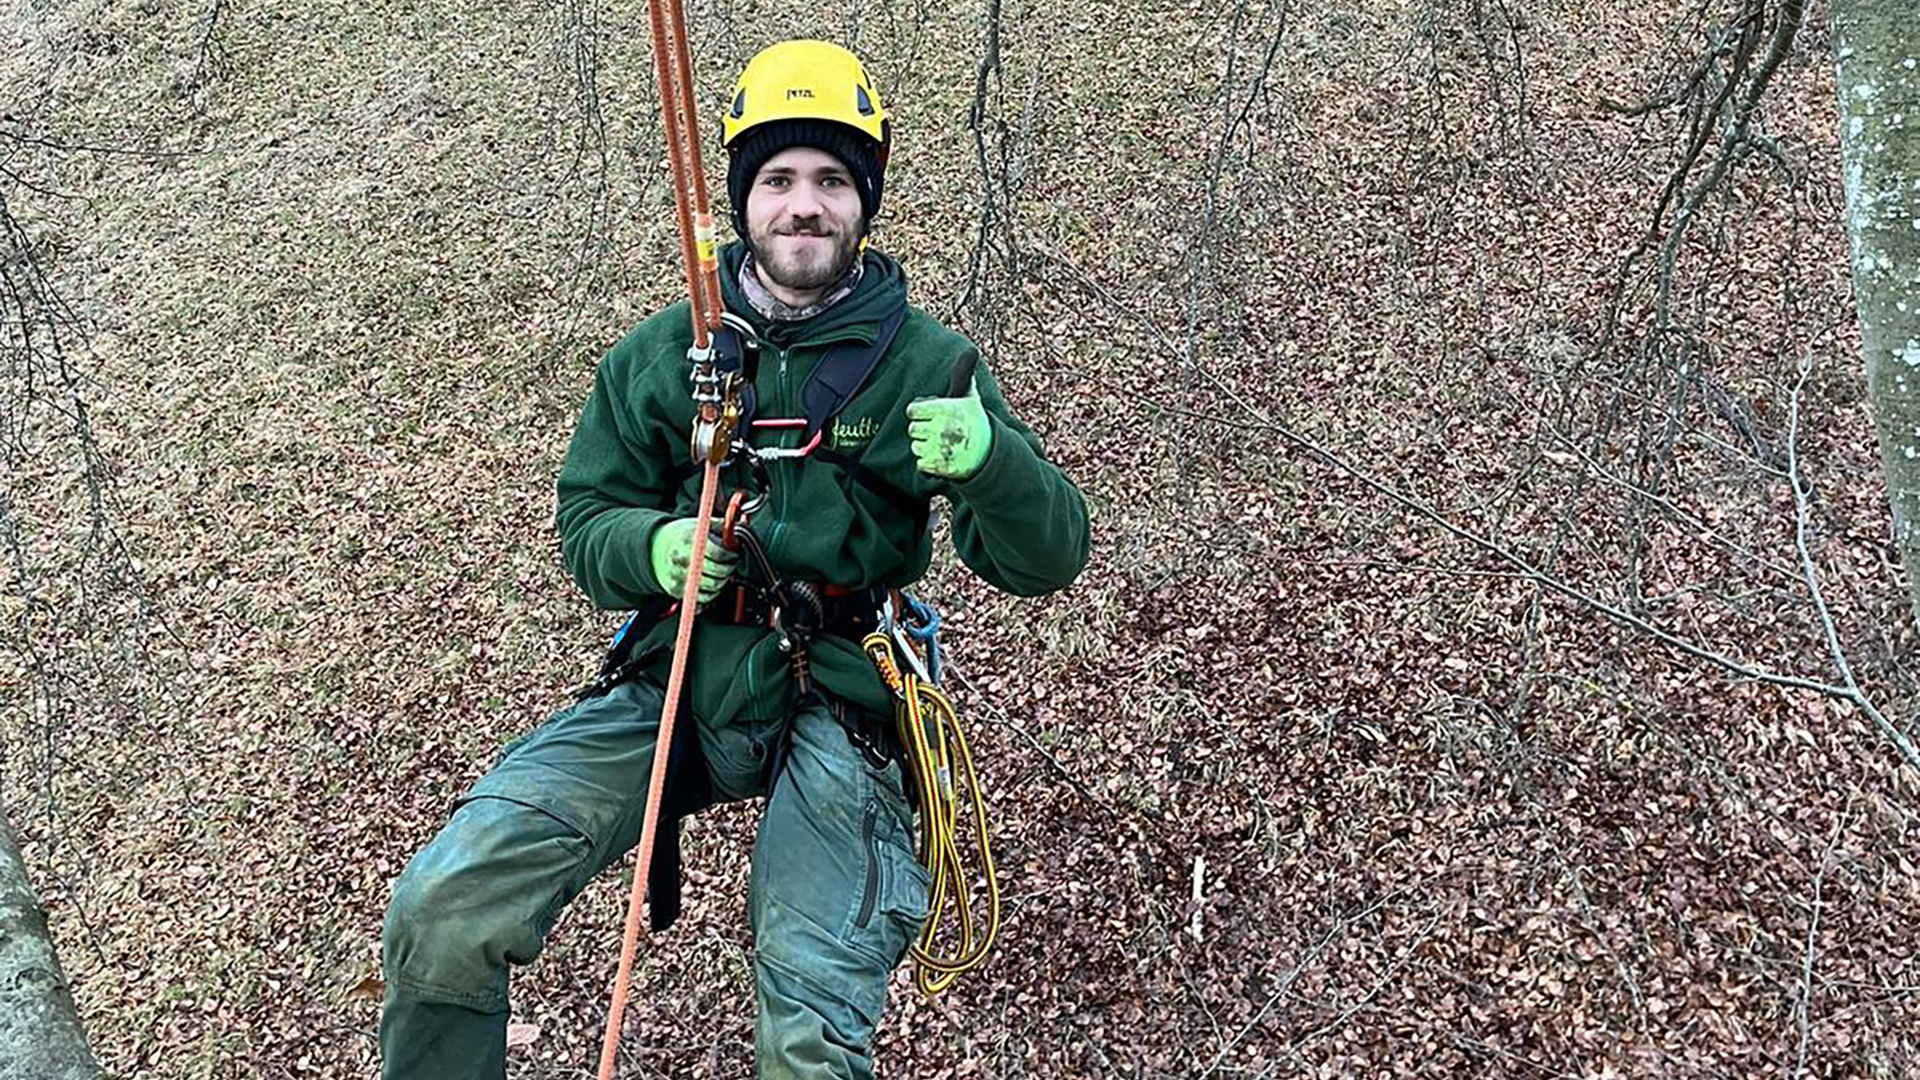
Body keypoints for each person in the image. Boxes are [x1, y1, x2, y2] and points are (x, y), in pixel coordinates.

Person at [379, 39, 1089, 1080]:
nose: (805, 205)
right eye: (780, 180)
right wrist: (655, 548)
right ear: (744, 198)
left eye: (833, 181)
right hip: (678, 675)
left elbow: (1049, 555)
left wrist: (991, 467)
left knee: (810, 1030)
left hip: (842, 693)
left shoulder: (930, 367)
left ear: (865, 201)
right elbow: (588, 521)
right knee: (444, 905)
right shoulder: (670, 355)